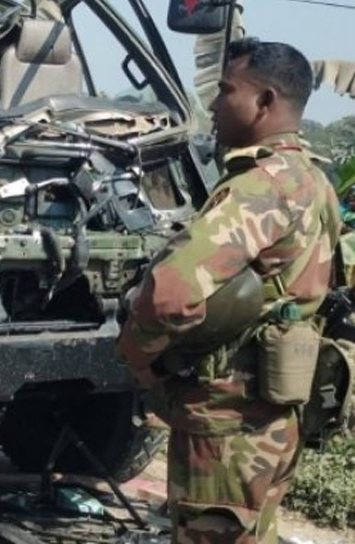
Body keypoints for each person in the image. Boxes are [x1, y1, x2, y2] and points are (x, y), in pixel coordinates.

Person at [118, 38, 340, 543]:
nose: (214, 104)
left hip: (226, 422)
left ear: (264, 101)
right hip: (276, 412)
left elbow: (170, 293)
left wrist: (137, 356)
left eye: (225, 90)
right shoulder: (314, 182)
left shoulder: (260, 186)